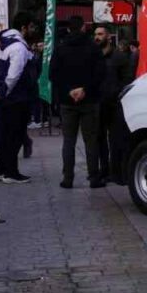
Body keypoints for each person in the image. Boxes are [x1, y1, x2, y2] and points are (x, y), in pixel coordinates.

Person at [51, 16, 106, 189]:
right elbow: (100, 73)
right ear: (83, 28)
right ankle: (94, 177)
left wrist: (69, 90)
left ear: (69, 29)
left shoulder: (60, 48)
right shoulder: (93, 48)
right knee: (91, 140)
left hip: (67, 101)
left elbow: (53, 74)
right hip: (90, 100)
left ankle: (68, 178)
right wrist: (85, 89)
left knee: (69, 141)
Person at [0, 12, 38, 184]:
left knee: (5, 134)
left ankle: (2, 170)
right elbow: (14, 74)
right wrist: (3, 91)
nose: (33, 30)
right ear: (23, 28)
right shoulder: (19, 47)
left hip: (6, 97)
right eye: (31, 26)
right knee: (15, 135)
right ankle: (11, 172)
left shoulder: (5, 45)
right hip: (17, 98)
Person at [94, 25, 134, 185]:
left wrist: (117, 93)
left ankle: (117, 173)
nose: (97, 37)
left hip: (115, 104)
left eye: (100, 34)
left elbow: (128, 79)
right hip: (97, 104)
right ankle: (103, 171)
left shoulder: (119, 57)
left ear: (108, 37)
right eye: (95, 34)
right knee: (99, 139)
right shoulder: (93, 57)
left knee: (116, 139)